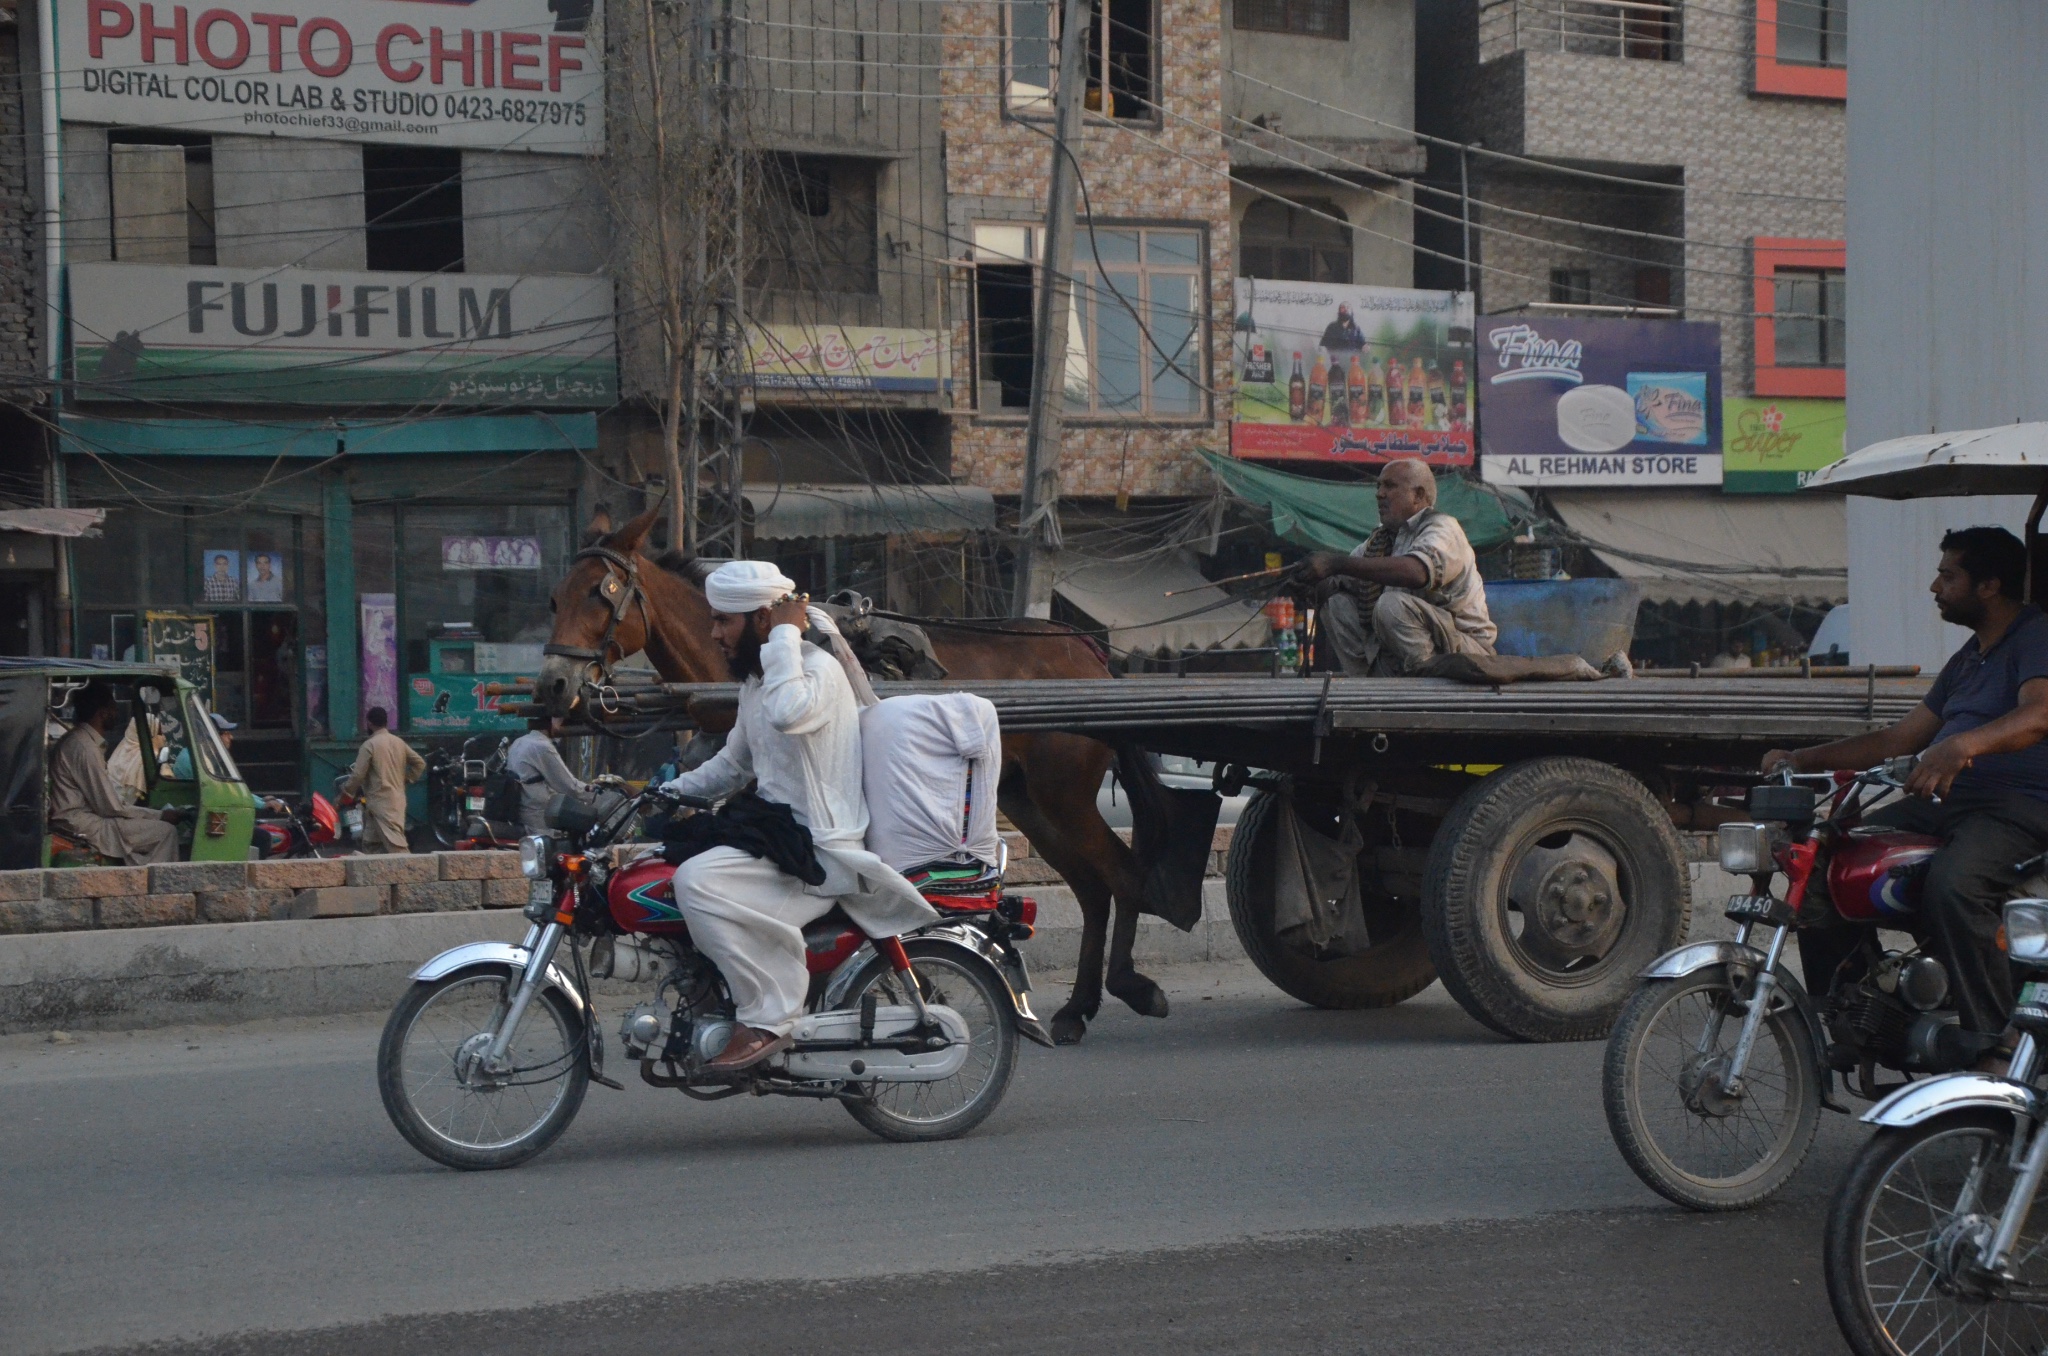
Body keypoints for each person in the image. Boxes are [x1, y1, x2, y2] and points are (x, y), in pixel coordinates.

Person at [1763, 527, 2048, 1051]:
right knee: (1829, 855)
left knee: (1954, 885)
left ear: (1989, 585)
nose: (1934, 587)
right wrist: (1801, 758)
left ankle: (1994, 1043)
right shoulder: (1970, 657)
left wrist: (1962, 747)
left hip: (2021, 808)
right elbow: (1900, 737)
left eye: (1948, 575)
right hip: (1951, 805)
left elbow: (2039, 715)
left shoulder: (2036, 636)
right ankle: (1854, 1013)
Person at [658, 560, 937, 1071]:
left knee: (698, 881)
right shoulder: (759, 682)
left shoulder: (812, 670)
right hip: (780, 837)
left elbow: (790, 714)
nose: (715, 634)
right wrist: (663, 794)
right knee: (660, 862)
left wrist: (786, 633)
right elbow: (733, 762)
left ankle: (770, 1015)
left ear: (762, 621)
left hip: (820, 851)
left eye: (725, 621)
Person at [1296, 458, 1498, 675]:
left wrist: (1335, 564)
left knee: (1390, 605)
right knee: (1336, 602)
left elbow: (1417, 572)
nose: (1379, 494)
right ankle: (1368, 686)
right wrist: (1311, 582)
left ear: (1418, 496)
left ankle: (1425, 680)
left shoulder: (1443, 528)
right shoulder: (1381, 540)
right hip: (1399, 655)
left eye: (1390, 486)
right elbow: (1345, 578)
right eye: (1379, 486)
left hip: (1463, 651)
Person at [49, 680, 184, 866]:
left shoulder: (81, 741)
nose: (116, 713)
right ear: (102, 712)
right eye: (112, 707)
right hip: (82, 823)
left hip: (86, 818)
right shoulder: (84, 747)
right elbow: (109, 807)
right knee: (166, 832)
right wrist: (159, 815)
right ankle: (153, 890)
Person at [339, 707, 424, 853]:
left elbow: (358, 775)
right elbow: (420, 763)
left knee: (397, 847)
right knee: (370, 844)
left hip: (381, 803)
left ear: (369, 723)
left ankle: (411, 874)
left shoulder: (369, 745)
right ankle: (371, 874)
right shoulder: (399, 742)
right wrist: (407, 779)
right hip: (394, 800)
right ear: (386, 722)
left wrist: (346, 792)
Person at [171, 712, 288, 815]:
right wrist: (261, 804)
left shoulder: (200, 755)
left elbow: (227, 788)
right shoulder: (196, 759)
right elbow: (221, 791)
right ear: (211, 736)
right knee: (262, 836)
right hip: (200, 817)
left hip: (206, 812)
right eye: (226, 733)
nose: (231, 737)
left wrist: (261, 800)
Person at [506, 717, 595, 833]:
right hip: (538, 818)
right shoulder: (542, 746)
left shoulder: (520, 742)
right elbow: (568, 785)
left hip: (522, 812)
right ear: (551, 724)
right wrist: (594, 794)